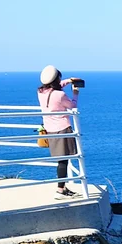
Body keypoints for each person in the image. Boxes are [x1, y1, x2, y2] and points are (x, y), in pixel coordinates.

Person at [36, 66, 81, 199]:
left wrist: (68, 81)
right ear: (57, 79)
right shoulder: (60, 94)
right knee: (63, 160)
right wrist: (75, 94)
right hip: (62, 128)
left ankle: (62, 186)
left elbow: (55, 89)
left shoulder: (40, 92)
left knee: (61, 159)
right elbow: (72, 105)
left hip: (50, 129)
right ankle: (60, 189)